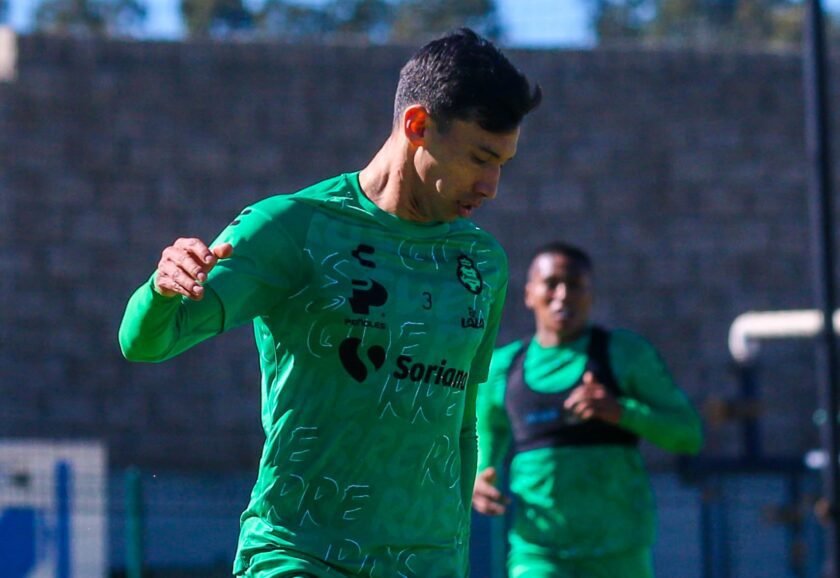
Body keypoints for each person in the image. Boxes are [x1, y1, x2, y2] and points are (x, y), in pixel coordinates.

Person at [119, 28, 541, 578]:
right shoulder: (293, 227)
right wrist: (158, 289)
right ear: (417, 126)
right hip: (299, 554)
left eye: (503, 163)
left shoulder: (483, 262)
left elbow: (460, 425)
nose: (491, 186)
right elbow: (144, 343)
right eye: (480, 158)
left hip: (427, 563)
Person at [472, 242, 703, 578]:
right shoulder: (503, 368)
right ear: (529, 294)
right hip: (539, 554)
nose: (563, 295)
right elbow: (486, 434)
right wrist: (481, 476)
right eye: (551, 284)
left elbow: (689, 435)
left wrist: (620, 411)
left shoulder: (625, 354)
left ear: (591, 295)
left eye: (575, 285)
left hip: (619, 554)